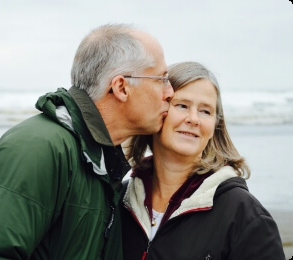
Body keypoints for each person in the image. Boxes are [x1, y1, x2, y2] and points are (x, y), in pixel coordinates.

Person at [0, 24, 174, 259]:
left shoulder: (101, 162)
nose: (170, 92)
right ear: (121, 87)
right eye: (161, 79)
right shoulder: (40, 148)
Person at [121, 61, 285, 260]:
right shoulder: (120, 200)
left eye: (205, 111)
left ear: (215, 126)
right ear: (158, 110)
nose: (193, 119)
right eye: (182, 105)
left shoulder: (245, 216)